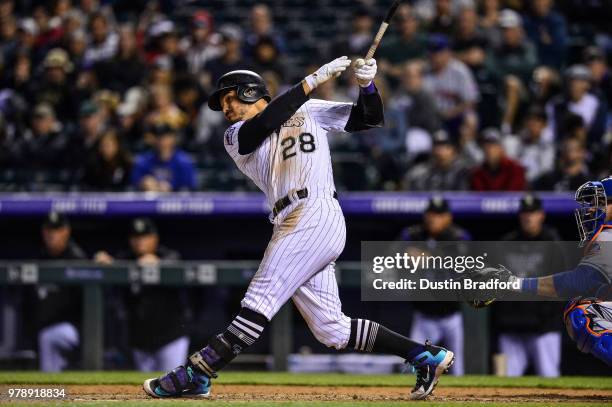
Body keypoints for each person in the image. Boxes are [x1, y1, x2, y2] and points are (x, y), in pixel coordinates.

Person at [143, 57, 454, 400]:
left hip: (314, 211)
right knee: (331, 329)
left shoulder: (310, 109)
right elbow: (259, 129)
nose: (226, 108)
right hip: (290, 218)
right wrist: (310, 81)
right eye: (223, 104)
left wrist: (367, 86)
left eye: (231, 98)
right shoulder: (234, 135)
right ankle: (425, 356)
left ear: (250, 92)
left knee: (259, 300)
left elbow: (370, 118)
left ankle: (197, 373)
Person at [472, 177, 612, 366]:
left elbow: (576, 283)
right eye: (592, 203)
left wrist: (513, 282)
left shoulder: (607, 238)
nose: (591, 209)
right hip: (513, 325)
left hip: (543, 326)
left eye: (602, 203)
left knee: (582, 314)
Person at [95, 218, 187, 371]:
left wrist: (159, 263)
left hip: (171, 338)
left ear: (155, 238)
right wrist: (106, 263)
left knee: (173, 386)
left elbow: (176, 262)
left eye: (145, 236)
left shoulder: (168, 255)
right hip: (140, 341)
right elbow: (111, 264)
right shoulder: (125, 258)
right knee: (145, 390)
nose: (140, 241)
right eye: (136, 237)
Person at [493, 194, 564, 377]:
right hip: (511, 326)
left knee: (549, 378)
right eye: (525, 212)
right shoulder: (507, 243)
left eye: (532, 212)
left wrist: (546, 316)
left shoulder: (553, 243)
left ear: (542, 215)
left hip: (543, 328)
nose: (528, 217)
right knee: (506, 382)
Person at [400, 196, 470, 375]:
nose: (433, 218)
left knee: (457, 369)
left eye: (439, 214)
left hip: (451, 315)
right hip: (424, 316)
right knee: (412, 367)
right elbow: (399, 256)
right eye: (431, 213)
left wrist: (427, 257)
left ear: (448, 217)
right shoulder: (413, 234)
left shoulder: (459, 236)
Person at [36, 212, 86, 371]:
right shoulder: (40, 258)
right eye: (49, 230)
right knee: (46, 336)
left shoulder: (77, 259)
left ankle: (49, 390)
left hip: (73, 329)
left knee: (48, 337)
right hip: (45, 327)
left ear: (66, 231)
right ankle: (55, 389)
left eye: (56, 230)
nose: (52, 234)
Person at [423, 34, 478, 139]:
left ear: (448, 53)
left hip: (456, 116)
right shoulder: (424, 71)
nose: (434, 56)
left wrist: (451, 113)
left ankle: (467, 150)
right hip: (432, 117)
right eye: (432, 52)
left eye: (438, 52)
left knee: (471, 119)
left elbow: (471, 101)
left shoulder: (461, 71)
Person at [131, 123, 196, 192]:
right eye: (158, 137)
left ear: (173, 139)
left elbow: (189, 187)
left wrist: (172, 187)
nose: (161, 141)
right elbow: (133, 182)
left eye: (165, 137)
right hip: (149, 199)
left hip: (174, 200)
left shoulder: (183, 161)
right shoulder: (144, 160)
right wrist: (143, 183)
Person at [404, 130, 469, 191]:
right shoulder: (421, 172)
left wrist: (467, 143)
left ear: (454, 150)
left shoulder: (463, 170)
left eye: (445, 146)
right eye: (437, 146)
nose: (440, 151)